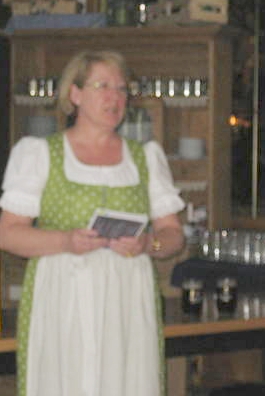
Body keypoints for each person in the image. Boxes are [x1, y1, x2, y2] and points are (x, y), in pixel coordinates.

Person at [0, 50, 185, 396]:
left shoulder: (145, 157)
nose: (114, 97)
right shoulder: (41, 154)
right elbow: (7, 234)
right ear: (75, 94)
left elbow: (173, 235)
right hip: (63, 293)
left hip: (127, 296)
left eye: (121, 89)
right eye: (102, 86)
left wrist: (148, 244)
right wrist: (65, 241)